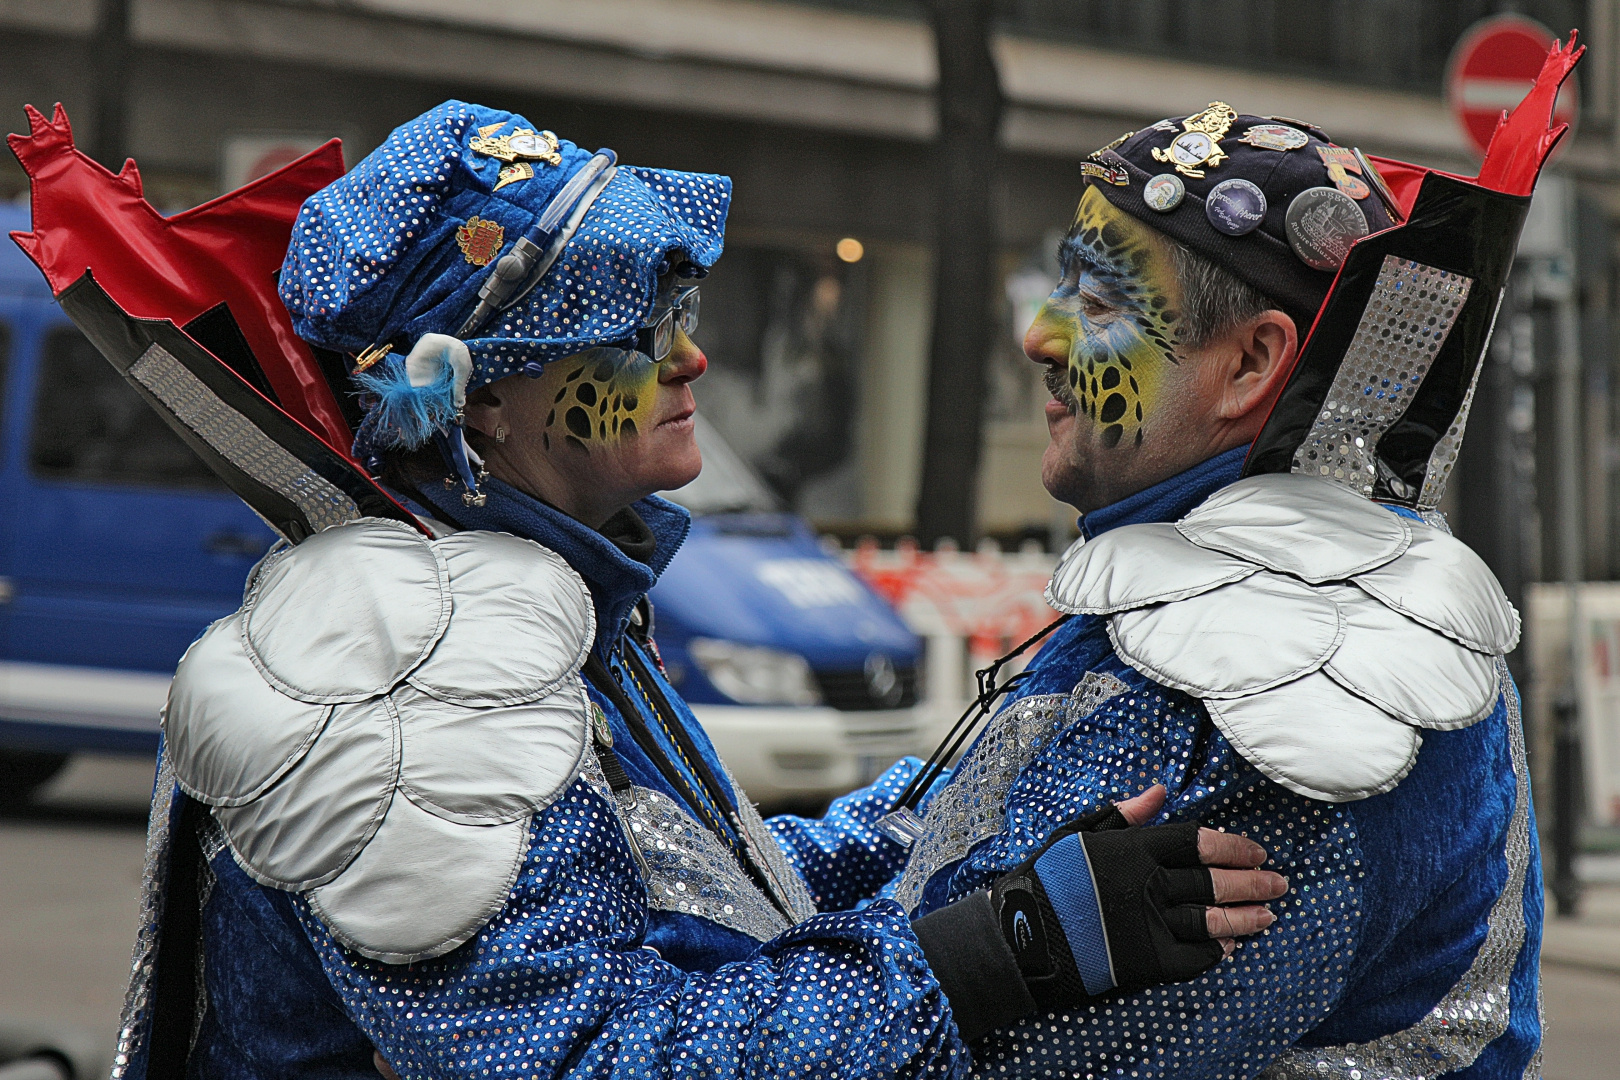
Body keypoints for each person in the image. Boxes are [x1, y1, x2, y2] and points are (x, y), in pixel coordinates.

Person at [10, 100, 1287, 1079]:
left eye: (681, 303)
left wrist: (971, 823)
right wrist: (997, 953)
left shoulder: (533, 592)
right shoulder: (405, 662)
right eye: (638, 321)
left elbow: (703, 886)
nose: (694, 352)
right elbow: (588, 1057)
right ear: (482, 396)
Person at [876, 41, 1580, 1080]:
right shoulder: (1194, 582)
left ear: (1251, 364)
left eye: (1101, 304)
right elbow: (935, 838)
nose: (1038, 335)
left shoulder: (1302, 661)